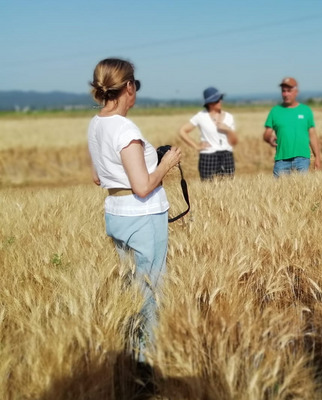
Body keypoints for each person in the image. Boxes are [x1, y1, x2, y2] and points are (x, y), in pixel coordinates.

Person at [87, 58, 182, 368]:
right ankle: (146, 367)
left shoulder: (96, 123)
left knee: (130, 288)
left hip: (115, 213)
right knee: (150, 292)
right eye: (135, 85)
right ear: (128, 86)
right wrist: (166, 164)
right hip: (142, 216)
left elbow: (98, 176)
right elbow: (142, 187)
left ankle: (129, 354)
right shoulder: (125, 128)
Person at [263, 77, 322, 177]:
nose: (286, 94)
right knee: (278, 191)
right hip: (281, 160)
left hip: (302, 159)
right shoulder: (275, 111)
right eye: (283, 91)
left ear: (296, 92)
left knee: (302, 191)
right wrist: (269, 138)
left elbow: (312, 135)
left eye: (289, 91)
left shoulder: (306, 110)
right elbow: (266, 134)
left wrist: (318, 158)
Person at [179, 87, 238, 181]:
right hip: (208, 156)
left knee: (228, 188)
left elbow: (234, 142)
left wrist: (228, 130)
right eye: (217, 100)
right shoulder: (200, 116)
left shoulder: (229, 117)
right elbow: (182, 131)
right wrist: (197, 146)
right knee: (208, 186)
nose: (220, 101)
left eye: (221, 99)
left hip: (227, 156)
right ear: (210, 103)